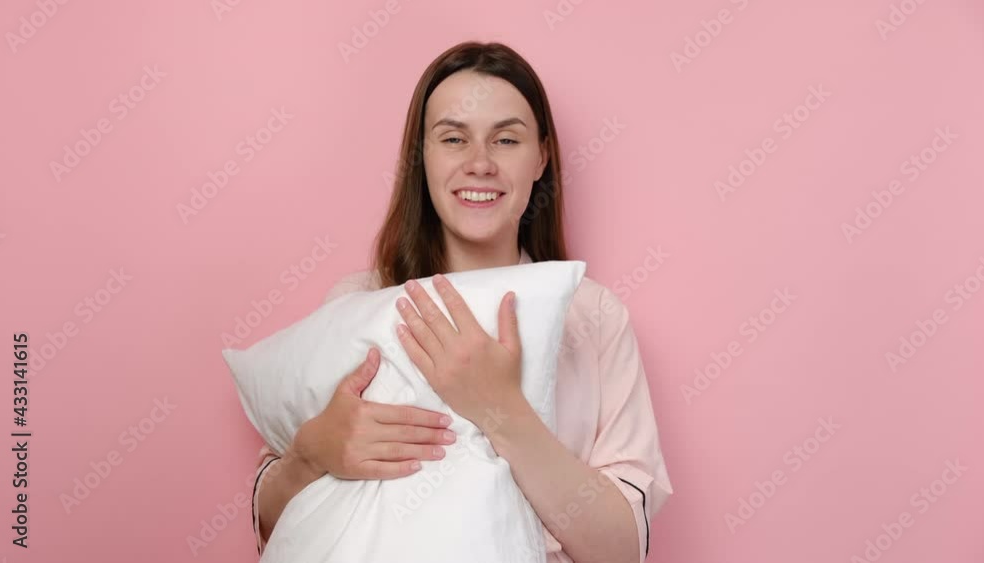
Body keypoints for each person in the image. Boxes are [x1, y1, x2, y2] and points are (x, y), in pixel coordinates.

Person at [251, 40, 673, 563]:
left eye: (506, 140)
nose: (479, 163)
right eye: (453, 139)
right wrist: (313, 453)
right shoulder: (360, 302)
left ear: (541, 157)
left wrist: (501, 409)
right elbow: (275, 524)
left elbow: (622, 550)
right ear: (422, 156)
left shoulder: (595, 318)